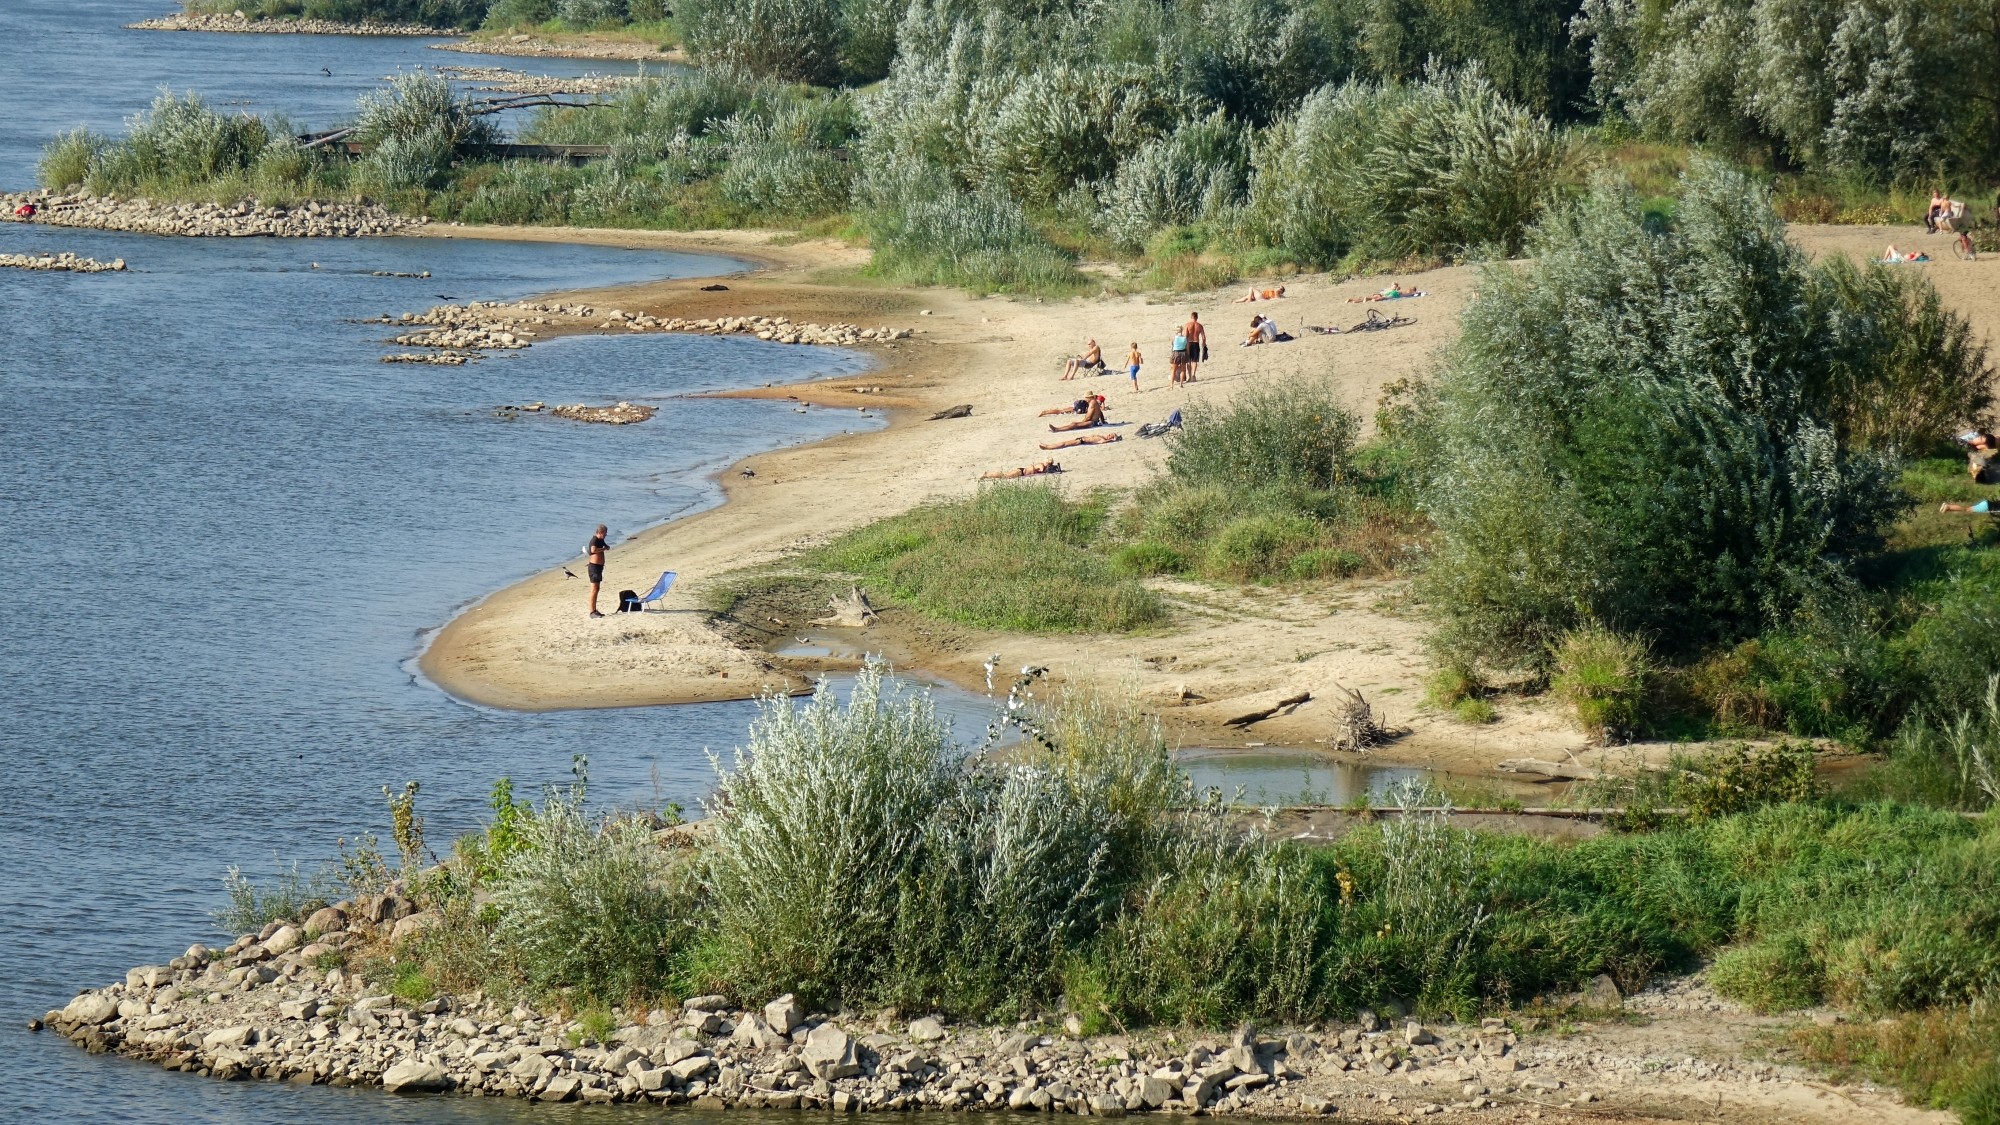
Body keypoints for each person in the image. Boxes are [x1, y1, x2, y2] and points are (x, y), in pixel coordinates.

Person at [584, 524, 609, 618]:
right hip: (594, 567)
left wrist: (606, 547)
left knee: (597, 589)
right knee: (594, 589)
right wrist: (603, 549)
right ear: (600, 532)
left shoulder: (601, 540)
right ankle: (592, 612)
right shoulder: (594, 539)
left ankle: (594, 609)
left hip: (599, 567)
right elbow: (593, 549)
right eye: (605, 533)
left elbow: (605, 546)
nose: (606, 535)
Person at [1182, 312, 1206, 382]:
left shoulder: (1187, 325)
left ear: (1191, 317)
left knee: (1188, 361)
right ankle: (1193, 376)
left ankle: (1189, 377)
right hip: (1196, 343)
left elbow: (1185, 336)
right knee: (1194, 361)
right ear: (1197, 317)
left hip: (1188, 343)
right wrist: (1204, 344)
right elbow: (1203, 337)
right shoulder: (1200, 326)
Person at [982, 460, 1062, 479]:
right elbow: (1041, 471)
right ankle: (987, 474)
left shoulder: (1041, 465)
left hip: (1022, 471)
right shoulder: (1041, 465)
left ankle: (987, 474)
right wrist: (1049, 471)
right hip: (1021, 472)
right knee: (1005, 476)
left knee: (1005, 475)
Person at [1041, 433, 1122, 450]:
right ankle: (1048, 446)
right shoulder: (1102, 436)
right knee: (1064, 442)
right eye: (1110, 434)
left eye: (1111, 435)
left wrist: (1112, 440)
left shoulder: (1103, 439)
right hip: (1080, 439)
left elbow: (1102, 442)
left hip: (1081, 441)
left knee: (1064, 444)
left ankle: (1048, 447)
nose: (1109, 435)